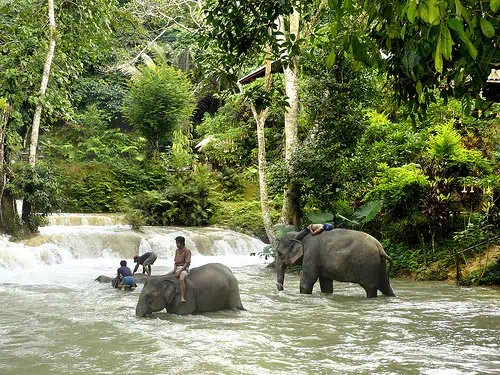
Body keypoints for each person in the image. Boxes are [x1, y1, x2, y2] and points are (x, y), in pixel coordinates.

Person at [168, 236, 191, 303]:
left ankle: (182, 297)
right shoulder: (177, 251)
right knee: (166, 276)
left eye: (177, 243)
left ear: (182, 243)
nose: (176, 245)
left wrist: (180, 271)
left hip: (184, 268)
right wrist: (174, 270)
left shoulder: (187, 251)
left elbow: (187, 263)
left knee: (181, 279)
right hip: (177, 267)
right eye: (176, 243)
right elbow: (175, 262)